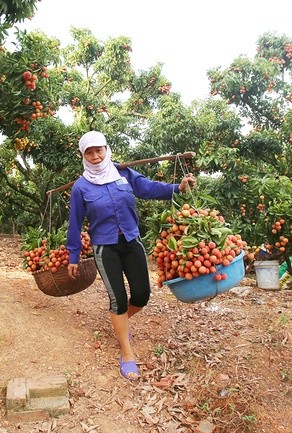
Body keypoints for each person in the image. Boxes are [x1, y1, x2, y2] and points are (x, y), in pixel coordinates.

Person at [66, 131, 196, 381]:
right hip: (105, 247)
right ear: (83, 155)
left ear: (106, 149)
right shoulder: (81, 187)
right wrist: (73, 255)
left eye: (99, 150)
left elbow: (147, 189)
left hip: (131, 240)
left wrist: (177, 188)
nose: (95, 156)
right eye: (89, 152)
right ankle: (127, 353)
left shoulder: (123, 173)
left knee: (141, 295)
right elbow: (74, 222)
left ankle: (119, 322)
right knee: (118, 300)